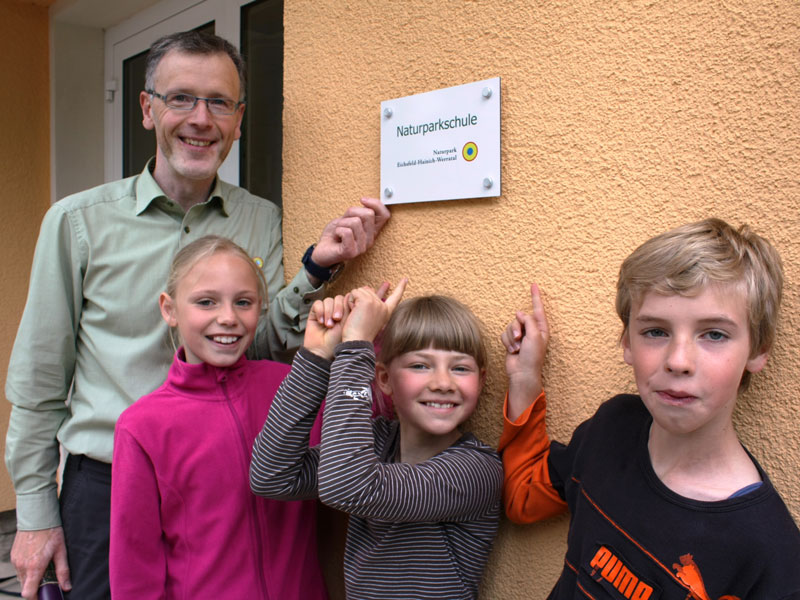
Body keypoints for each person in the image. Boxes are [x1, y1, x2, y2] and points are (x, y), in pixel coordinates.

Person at [4, 30, 389, 600]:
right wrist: (36, 513)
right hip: (106, 484)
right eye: (181, 98)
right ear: (146, 109)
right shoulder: (76, 222)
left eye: (219, 103)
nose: (200, 119)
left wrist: (315, 270)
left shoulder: (260, 218)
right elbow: (39, 381)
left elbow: (258, 344)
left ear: (238, 120)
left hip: (224, 480)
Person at [499, 219, 800, 598]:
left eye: (715, 334)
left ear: (757, 351)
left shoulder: (768, 551)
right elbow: (522, 498)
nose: (678, 361)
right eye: (655, 331)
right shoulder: (611, 428)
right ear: (627, 342)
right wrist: (525, 377)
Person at [250, 284, 503, 600]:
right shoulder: (376, 442)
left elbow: (351, 487)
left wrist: (356, 346)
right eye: (420, 365)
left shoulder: (476, 470)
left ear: (481, 380)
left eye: (460, 368)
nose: (442, 383)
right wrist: (316, 358)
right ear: (383, 379)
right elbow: (273, 476)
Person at [109, 235, 327, 599]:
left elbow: (353, 446)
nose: (227, 318)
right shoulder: (141, 427)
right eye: (206, 302)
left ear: (261, 308)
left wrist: (364, 345)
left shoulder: (290, 387)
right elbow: (135, 564)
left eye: (243, 302)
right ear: (170, 309)